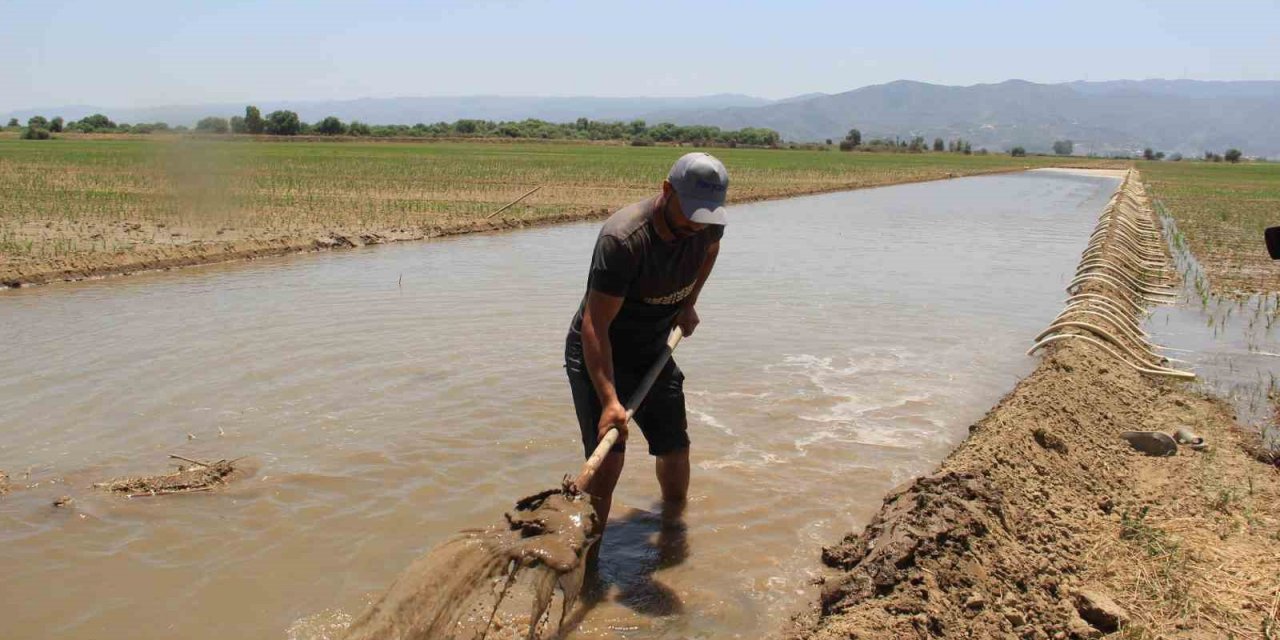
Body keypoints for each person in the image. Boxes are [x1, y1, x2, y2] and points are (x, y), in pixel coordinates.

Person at [565, 152, 728, 536]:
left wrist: (689, 303)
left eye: (706, 215)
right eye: (690, 212)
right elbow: (595, 325)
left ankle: (672, 528)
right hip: (602, 353)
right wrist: (609, 401)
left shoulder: (706, 226)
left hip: (654, 347)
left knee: (674, 446)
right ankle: (590, 561)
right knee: (609, 463)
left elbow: (710, 251)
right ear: (667, 190)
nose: (697, 224)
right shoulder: (623, 240)